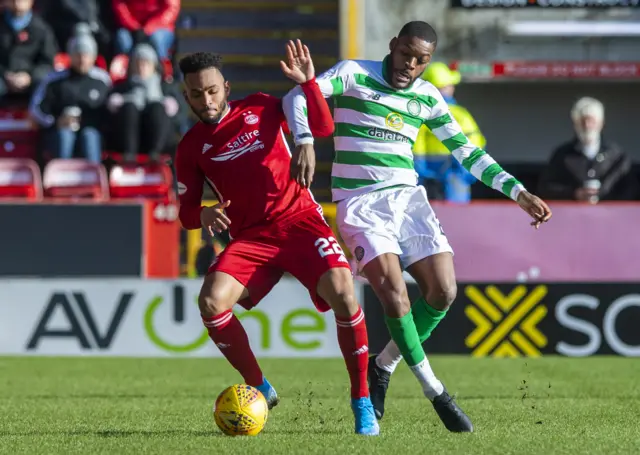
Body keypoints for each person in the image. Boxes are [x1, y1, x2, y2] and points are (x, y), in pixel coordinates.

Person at [282, 21, 552, 432]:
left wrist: (518, 192)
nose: (410, 64)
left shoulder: (426, 97)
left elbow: (468, 153)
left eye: (421, 59)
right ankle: (436, 391)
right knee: (395, 297)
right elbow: (297, 97)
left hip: (408, 201)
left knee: (443, 291)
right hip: (360, 204)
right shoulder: (354, 73)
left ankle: (383, 364)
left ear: (429, 62)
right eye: (405, 53)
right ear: (392, 46)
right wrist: (303, 141)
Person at [174, 41, 379, 436]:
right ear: (187, 96)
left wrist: (308, 86)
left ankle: (362, 400)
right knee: (211, 302)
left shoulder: (264, 106)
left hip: (300, 221)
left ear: (226, 88)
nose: (207, 99)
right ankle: (259, 385)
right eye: (197, 94)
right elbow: (185, 214)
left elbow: (321, 128)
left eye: (212, 90)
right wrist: (202, 213)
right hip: (252, 238)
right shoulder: (190, 148)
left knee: (343, 291)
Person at [29, 32, 110, 162]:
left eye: (86, 55)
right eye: (78, 54)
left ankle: (94, 176)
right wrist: (56, 121)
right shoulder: (54, 80)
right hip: (58, 132)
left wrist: (90, 121)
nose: (82, 59)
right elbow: (36, 109)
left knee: (90, 136)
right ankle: (61, 178)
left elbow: (108, 112)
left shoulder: (102, 81)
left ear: (93, 57)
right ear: (71, 56)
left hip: (91, 131)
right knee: (64, 136)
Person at [538, 96, 638, 202]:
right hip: (572, 215)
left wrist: (605, 196)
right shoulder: (562, 155)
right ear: (575, 124)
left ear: (601, 123)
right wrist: (574, 193)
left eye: (592, 121)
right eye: (582, 121)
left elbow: (631, 189)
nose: (587, 126)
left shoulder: (617, 156)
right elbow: (545, 188)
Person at [413, 62, 486, 203]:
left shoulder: (417, 114)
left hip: (423, 175)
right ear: (444, 88)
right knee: (457, 217)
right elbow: (474, 143)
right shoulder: (459, 114)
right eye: (450, 85)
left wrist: (419, 169)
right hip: (454, 172)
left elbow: (415, 146)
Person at [106, 43, 183, 162]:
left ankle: (155, 153)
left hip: (160, 140)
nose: (141, 66)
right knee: (129, 107)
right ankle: (129, 153)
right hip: (126, 142)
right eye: (137, 62)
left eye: (146, 62)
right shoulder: (121, 88)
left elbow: (181, 117)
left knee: (157, 107)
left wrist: (171, 109)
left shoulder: (167, 88)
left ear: (154, 65)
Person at [0, 0, 57, 103]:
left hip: (31, 78)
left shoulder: (42, 28)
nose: (17, 4)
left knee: (44, 83)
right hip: (3, 77)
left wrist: (29, 77)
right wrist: (5, 75)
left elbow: (47, 62)